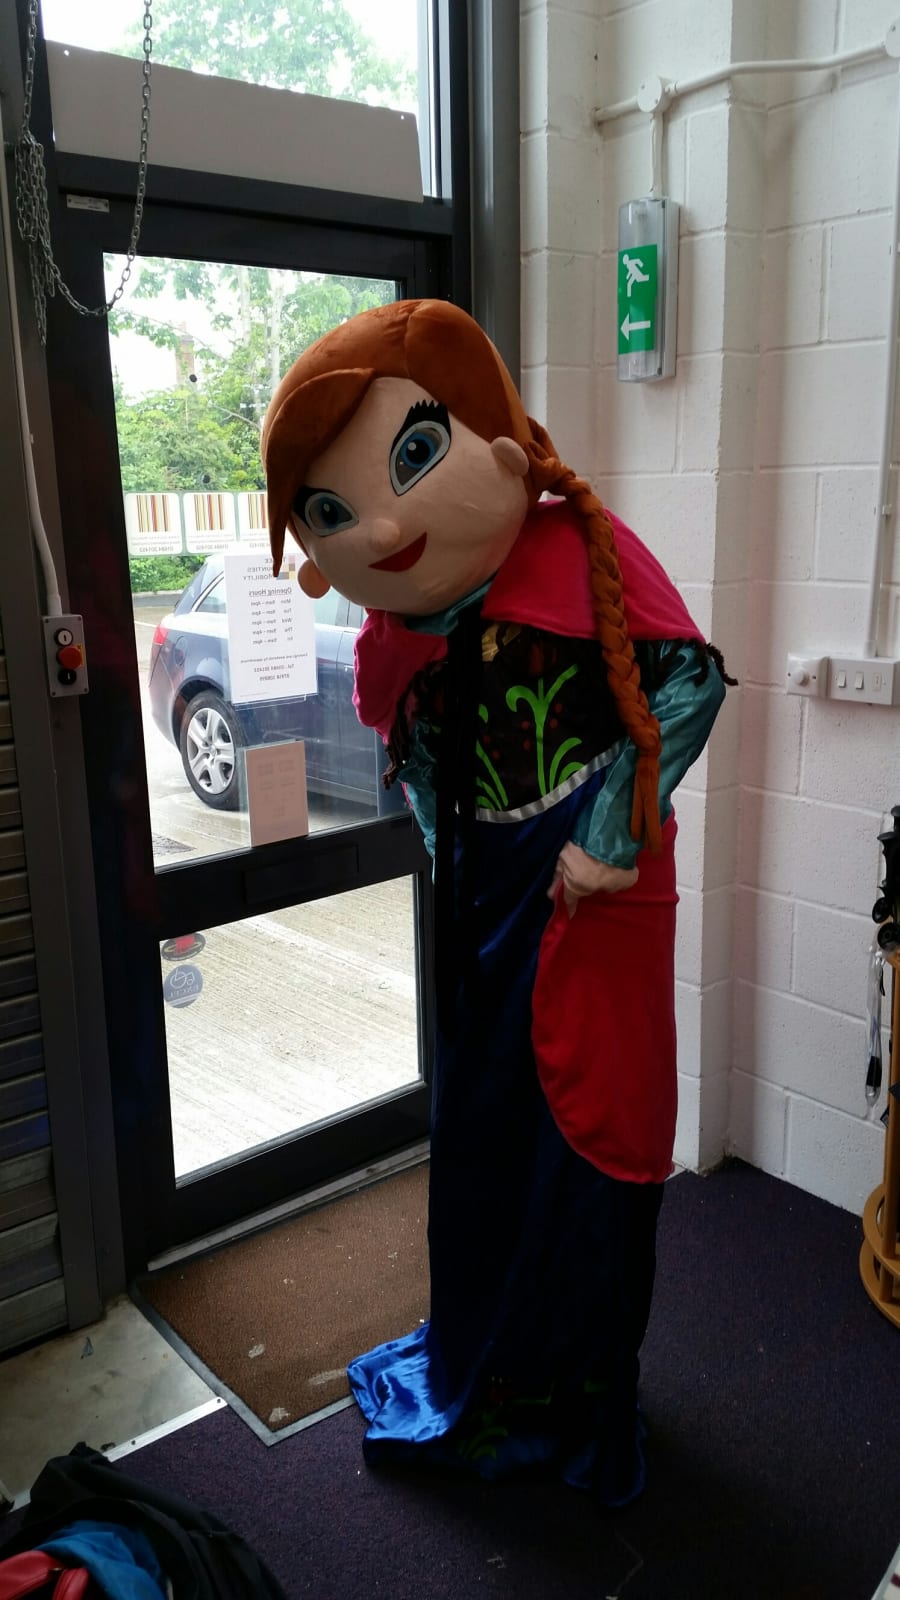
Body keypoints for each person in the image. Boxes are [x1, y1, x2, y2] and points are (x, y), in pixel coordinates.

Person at [262, 299, 731, 1504]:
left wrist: (609, 837)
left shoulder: (585, 552)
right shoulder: (399, 630)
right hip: (484, 914)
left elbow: (688, 681)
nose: (379, 524)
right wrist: (452, 851)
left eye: (416, 452)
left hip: (593, 907)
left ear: (498, 439)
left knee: (593, 1142)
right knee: (482, 1141)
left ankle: (574, 1398)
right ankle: (489, 1370)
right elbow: (422, 763)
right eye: (332, 512)